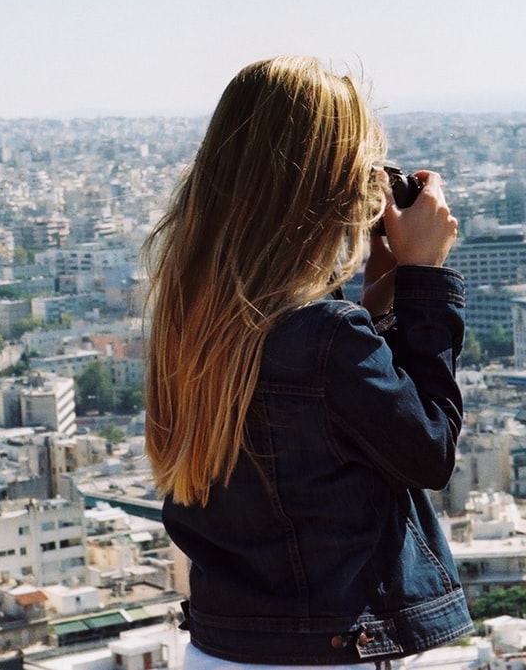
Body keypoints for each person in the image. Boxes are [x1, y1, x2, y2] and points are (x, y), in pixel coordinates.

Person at [144, 56, 473, 666]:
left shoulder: (193, 321)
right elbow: (428, 452)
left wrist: (376, 308)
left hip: (219, 649)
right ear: (332, 188)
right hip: (322, 653)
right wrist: (425, 279)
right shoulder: (325, 337)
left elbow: (315, 428)